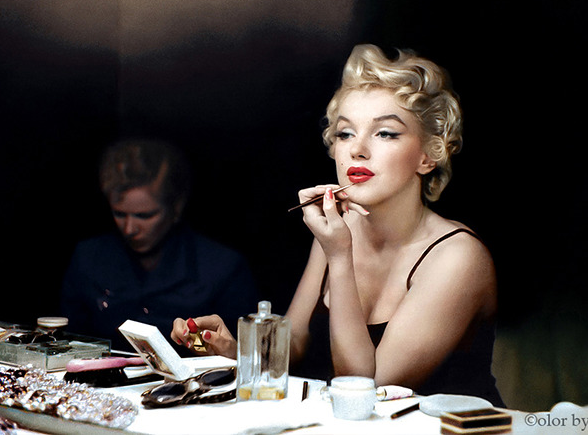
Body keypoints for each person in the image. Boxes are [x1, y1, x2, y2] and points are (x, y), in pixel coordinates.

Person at [170, 45, 503, 402]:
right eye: (345, 133)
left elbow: (365, 390)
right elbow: (295, 343)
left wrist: (340, 257)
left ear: (428, 155)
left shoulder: (459, 258)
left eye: (385, 133)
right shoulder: (339, 229)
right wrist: (236, 351)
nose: (357, 149)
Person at [61, 138, 258, 345]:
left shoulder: (222, 268)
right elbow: (71, 343)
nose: (129, 229)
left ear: (176, 207)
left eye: (144, 216)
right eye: (119, 214)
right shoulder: (88, 258)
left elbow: (241, 353)